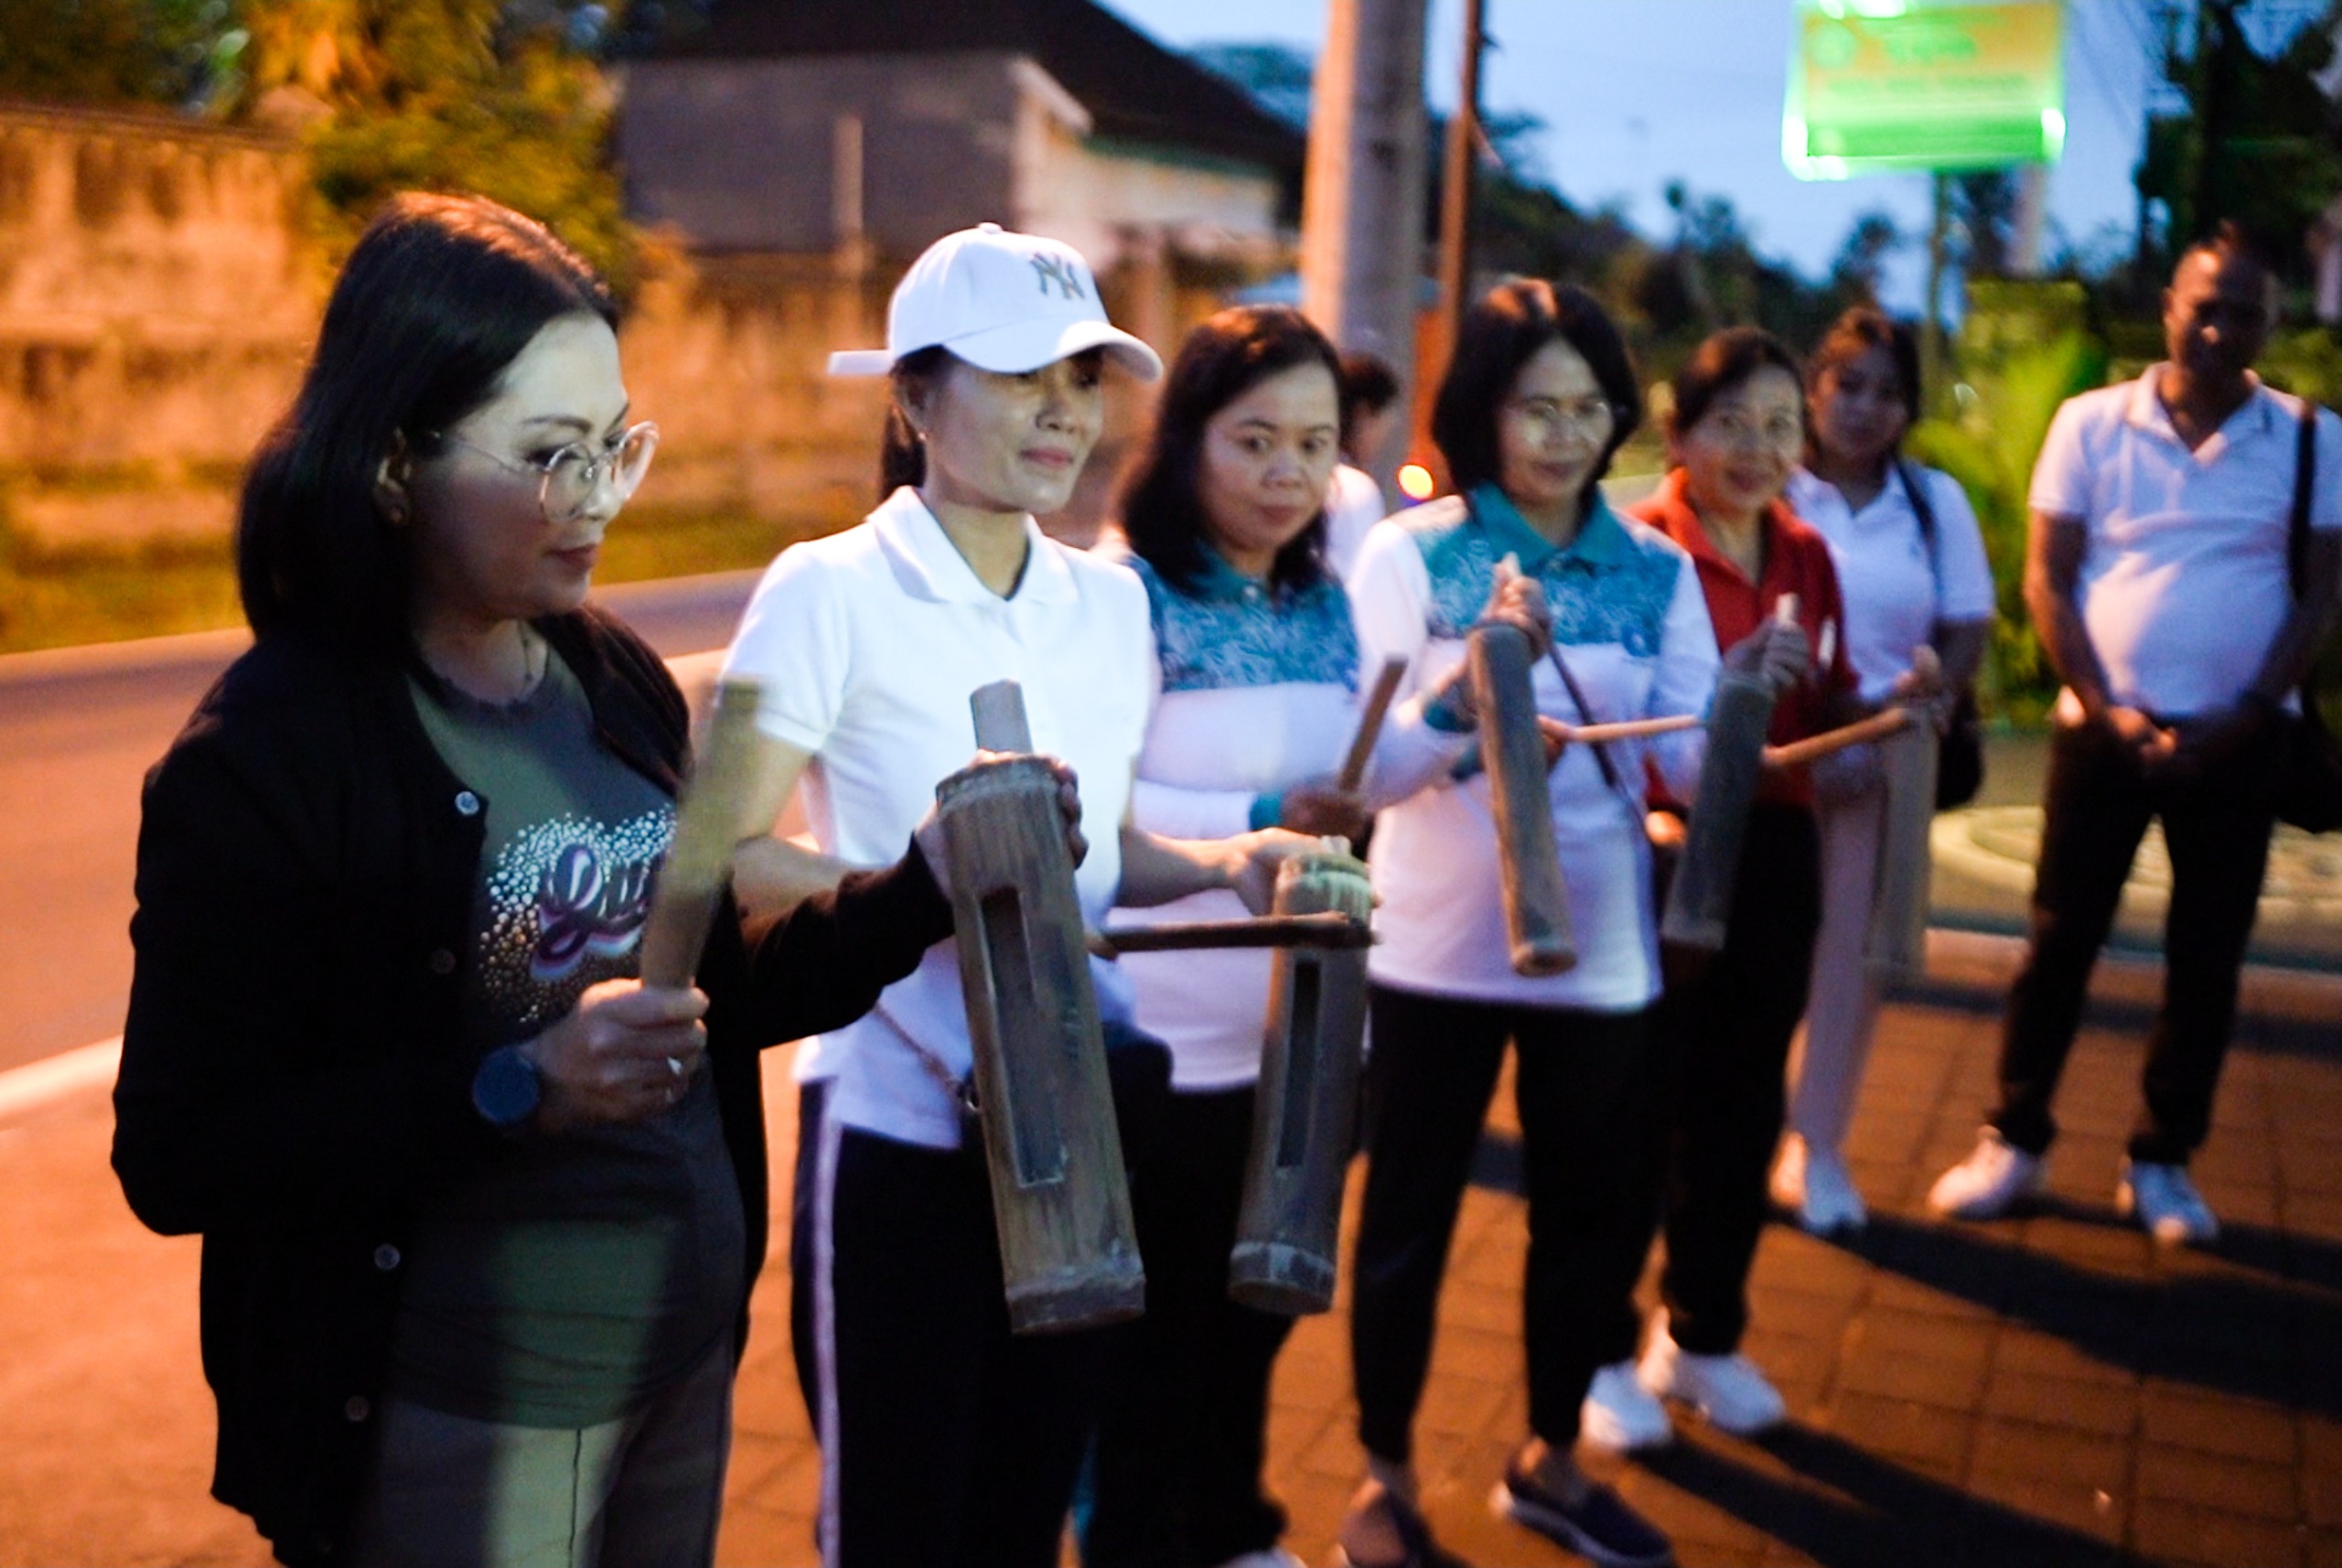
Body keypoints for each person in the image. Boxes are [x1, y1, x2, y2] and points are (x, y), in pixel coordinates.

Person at [110, 193, 962, 1568]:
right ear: (396, 466)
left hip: (677, 1360)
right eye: (552, 456)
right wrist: (517, 1088)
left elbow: (709, 987)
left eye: (615, 445)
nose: (603, 499)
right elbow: (178, 1152)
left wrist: (921, 885)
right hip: (459, 1411)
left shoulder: (608, 675)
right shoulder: (267, 760)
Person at [715, 224, 1309, 1568]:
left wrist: (1222, 866)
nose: (1063, 406)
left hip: (1083, 1133)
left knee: (1026, 1508)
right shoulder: (824, 587)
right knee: (895, 1528)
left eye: (1086, 375)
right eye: (1018, 370)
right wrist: (919, 885)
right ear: (914, 398)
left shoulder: (1107, 603)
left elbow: (1093, 857)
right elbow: (722, 854)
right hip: (900, 1134)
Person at [1337, 279, 1772, 1568]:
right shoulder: (1410, 556)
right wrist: (1470, 697)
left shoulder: (1656, 566)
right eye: (1537, 406)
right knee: (1407, 1217)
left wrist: (1747, 709)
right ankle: (1383, 1475)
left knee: (1590, 1215)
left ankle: (1549, 1458)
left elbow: (1690, 772)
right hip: (1429, 945)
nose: (1564, 434)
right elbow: (1359, 776)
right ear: (1482, 409)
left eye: (1589, 408)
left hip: (1602, 954)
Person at [1085, 305, 1459, 1568]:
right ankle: (1143, 1538)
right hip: (1156, 1042)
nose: (1288, 473)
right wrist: (1258, 818)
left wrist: (1466, 699)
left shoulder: (1327, 603)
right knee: (1152, 1336)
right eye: (1254, 440)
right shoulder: (1117, 598)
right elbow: (1095, 808)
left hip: (1298, 1036)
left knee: (1258, 1302)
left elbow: (1374, 774)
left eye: (1313, 443)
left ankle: (1232, 1522)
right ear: (1185, 438)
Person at [1928, 226, 2342, 1245]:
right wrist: (2108, 707)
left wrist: (2249, 714)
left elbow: (2322, 589)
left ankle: (2161, 1161)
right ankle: (2014, 1140)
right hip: (2098, 730)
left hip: (2240, 742)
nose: (2216, 326)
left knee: (2206, 957)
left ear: (2269, 324)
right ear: (2167, 306)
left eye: (2241, 311)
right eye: (2201, 304)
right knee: (2057, 942)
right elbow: (2047, 578)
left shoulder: (2307, 439)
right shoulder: (2090, 423)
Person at [1616, 326, 1939, 1447]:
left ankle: (1699, 1336)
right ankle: (1603, 1349)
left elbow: (1831, 698)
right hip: (1662, 854)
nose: (1754, 450)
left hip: (1777, 847)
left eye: (1774, 428)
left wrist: (1903, 698)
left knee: (1745, 1104)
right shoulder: (1641, 545)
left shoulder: (1804, 550)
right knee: (1638, 1101)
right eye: (1728, 425)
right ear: (1677, 432)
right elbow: (1628, 734)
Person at [1776, 308, 1996, 1234]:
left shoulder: (1928, 500)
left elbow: (1968, 618)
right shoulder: (1773, 486)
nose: (1864, 408)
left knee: (1848, 965)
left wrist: (1930, 687)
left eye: (1886, 392)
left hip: (1881, 762)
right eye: (1847, 384)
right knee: (1748, 951)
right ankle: (1726, 1131)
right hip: (1774, 758)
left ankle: (1815, 1147)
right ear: (1813, 389)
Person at [1324, 349, 1402, 579]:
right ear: (1364, 413)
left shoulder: (1311, 478)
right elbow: (1360, 583)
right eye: (1384, 427)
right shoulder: (1353, 489)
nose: (1382, 442)